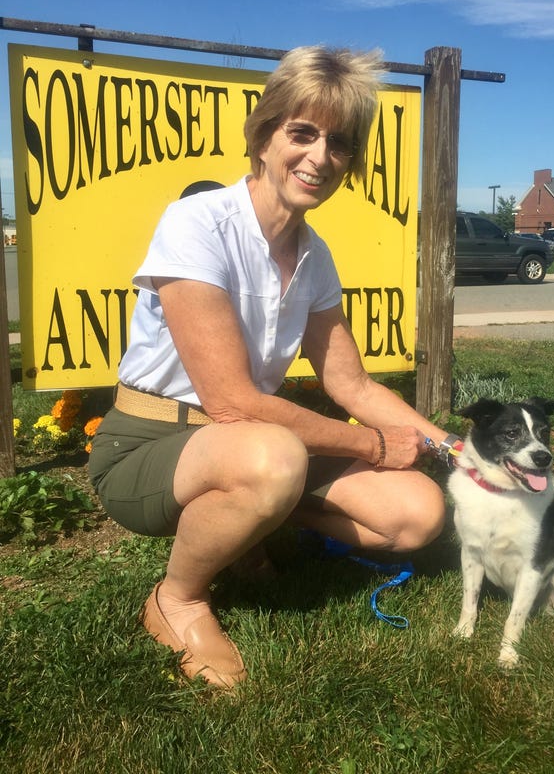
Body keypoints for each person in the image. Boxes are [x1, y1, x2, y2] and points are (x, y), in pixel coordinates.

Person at [88, 45, 459, 691]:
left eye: (338, 143)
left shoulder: (314, 257)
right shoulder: (197, 223)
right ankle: (177, 600)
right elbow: (232, 402)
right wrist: (372, 445)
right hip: (148, 446)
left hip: (246, 448)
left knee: (418, 513)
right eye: (302, 133)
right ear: (264, 137)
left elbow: (352, 384)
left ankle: (247, 522)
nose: (319, 157)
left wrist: (451, 447)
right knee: (274, 456)